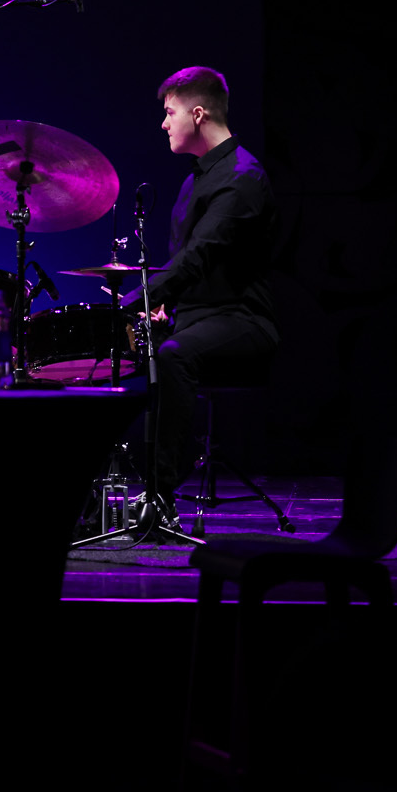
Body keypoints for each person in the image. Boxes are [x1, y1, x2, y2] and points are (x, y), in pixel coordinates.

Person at [133, 65, 278, 516]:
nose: (163, 123)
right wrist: (160, 306)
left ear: (198, 114)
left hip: (242, 321)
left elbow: (199, 256)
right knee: (123, 350)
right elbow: (186, 263)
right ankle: (103, 490)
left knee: (174, 355)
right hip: (194, 319)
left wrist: (139, 299)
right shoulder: (193, 179)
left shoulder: (242, 178)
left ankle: (160, 495)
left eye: (169, 112)